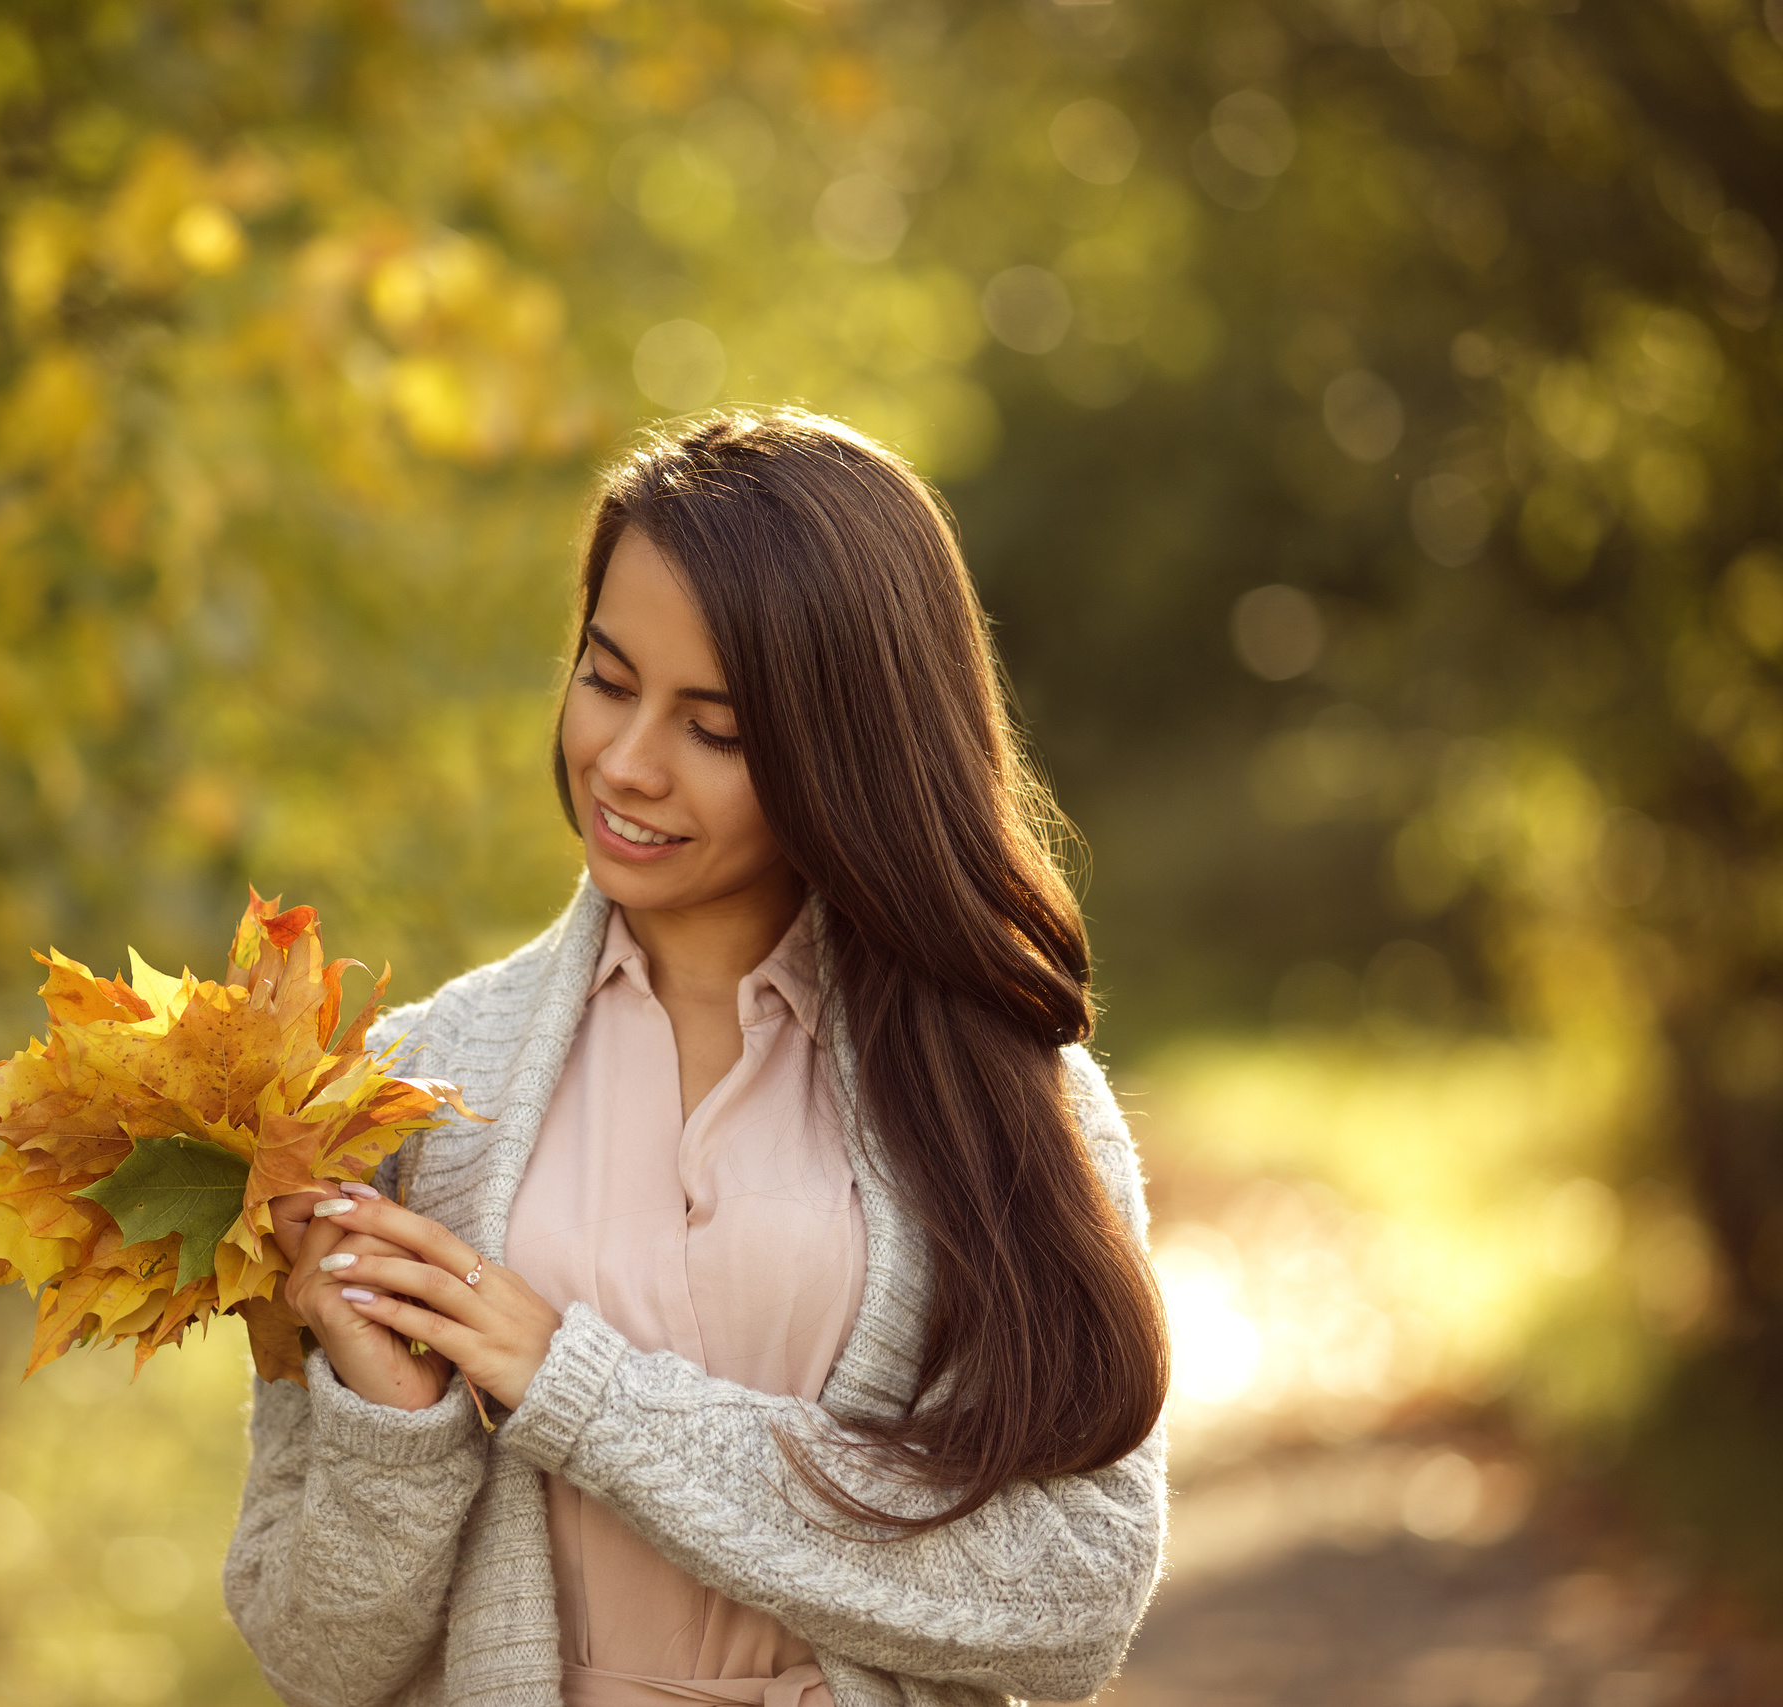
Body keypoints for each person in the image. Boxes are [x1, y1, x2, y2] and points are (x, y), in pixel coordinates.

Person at [225, 408, 1170, 1707]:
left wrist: (579, 1389)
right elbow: (313, 1653)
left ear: (850, 756)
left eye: (712, 730)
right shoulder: (411, 1084)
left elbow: (1073, 1593)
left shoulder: (1002, 1094)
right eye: (607, 680)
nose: (623, 762)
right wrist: (396, 1428)